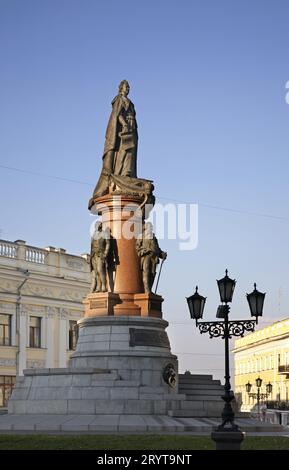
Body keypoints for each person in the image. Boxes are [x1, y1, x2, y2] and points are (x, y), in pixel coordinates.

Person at [136, 222, 167, 293]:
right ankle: (147, 290)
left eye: (151, 227)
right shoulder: (142, 236)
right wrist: (144, 251)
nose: (151, 228)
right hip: (146, 256)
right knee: (146, 272)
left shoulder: (153, 237)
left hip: (154, 258)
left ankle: (150, 289)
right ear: (146, 228)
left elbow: (157, 248)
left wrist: (162, 254)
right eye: (150, 226)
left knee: (152, 274)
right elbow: (137, 246)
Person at [90, 222, 111, 293]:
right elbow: (91, 246)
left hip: (101, 254)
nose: (97, 226)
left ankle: (104, 286)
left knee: (100, 270)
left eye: (98, 225)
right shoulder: (94, 235)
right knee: (96, 272)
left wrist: (105, 253)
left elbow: (108, 243)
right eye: (96, 225)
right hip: (94, 255)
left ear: (100, 226)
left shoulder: (105, 233)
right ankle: (99, 287)